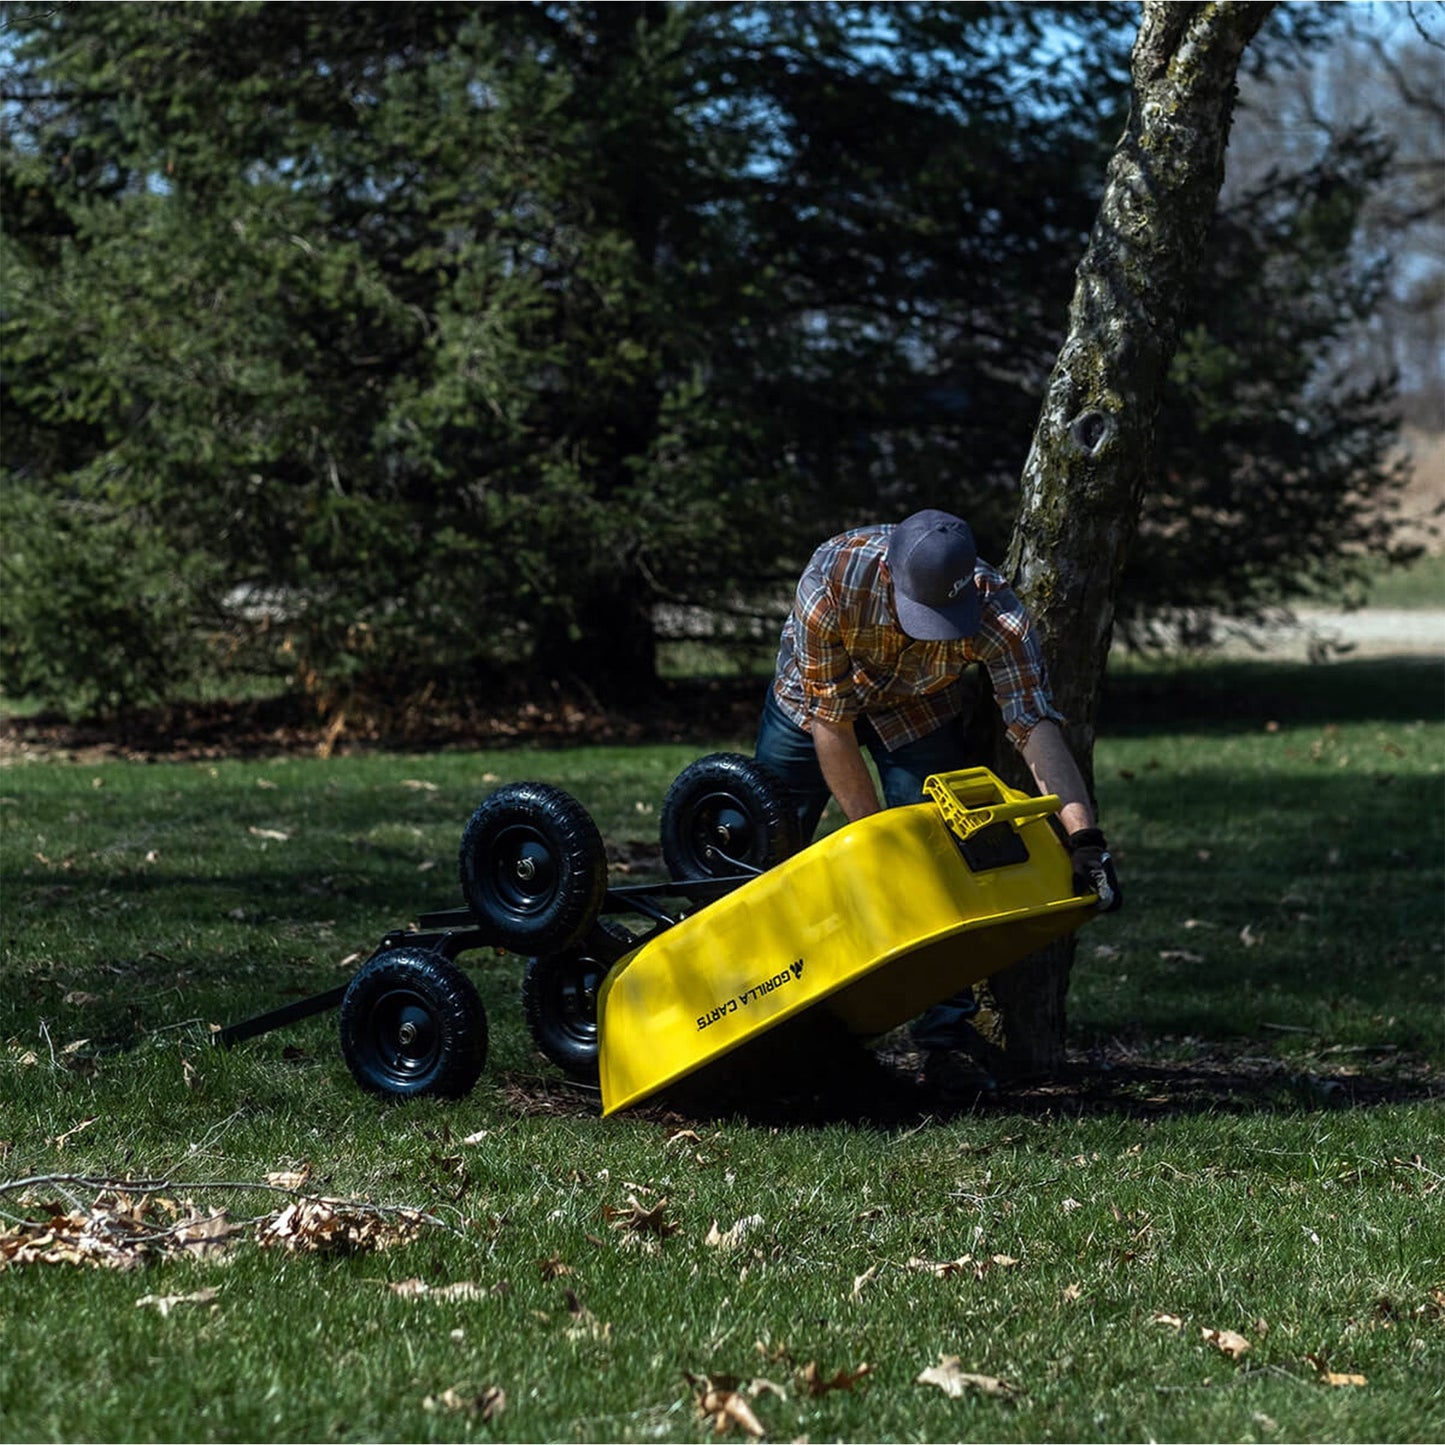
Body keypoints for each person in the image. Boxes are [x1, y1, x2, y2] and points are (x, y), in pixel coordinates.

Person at [754, 508, 1122, 1053]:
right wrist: (875, 839)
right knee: (763, 839)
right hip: (809, 705)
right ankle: (757, 1005)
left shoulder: (999, 612)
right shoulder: (833, 577)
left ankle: (944, 1037)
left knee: (942, 854)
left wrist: (1085, 839)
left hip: (919, 712)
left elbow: (1032, 724)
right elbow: (831, 723)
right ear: (889, 577)